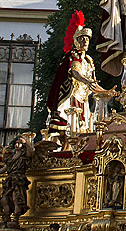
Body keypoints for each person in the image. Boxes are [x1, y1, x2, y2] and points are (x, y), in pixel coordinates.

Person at [46, 11, 110, 141]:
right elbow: (75, 73)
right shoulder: (74, 55)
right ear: (76, 41)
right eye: (82, 39)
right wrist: (86, 81)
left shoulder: (89, 60)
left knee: (83, 128)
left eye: (87, 39)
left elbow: (93, 83)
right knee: (69, 128)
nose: (85, 42)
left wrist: (106, 92)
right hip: (72, 95)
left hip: (83, 98)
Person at [0, 135, 34, 229]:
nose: (17, 145)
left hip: (18, 180)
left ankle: (15, 219)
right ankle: (6, 217)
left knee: (16, 199)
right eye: (16, 143)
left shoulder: (24, 156)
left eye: (19, 143)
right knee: (4, 199)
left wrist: (27, 142)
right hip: (9, 180)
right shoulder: (12, 156)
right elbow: (7, 167)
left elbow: (31, 153)